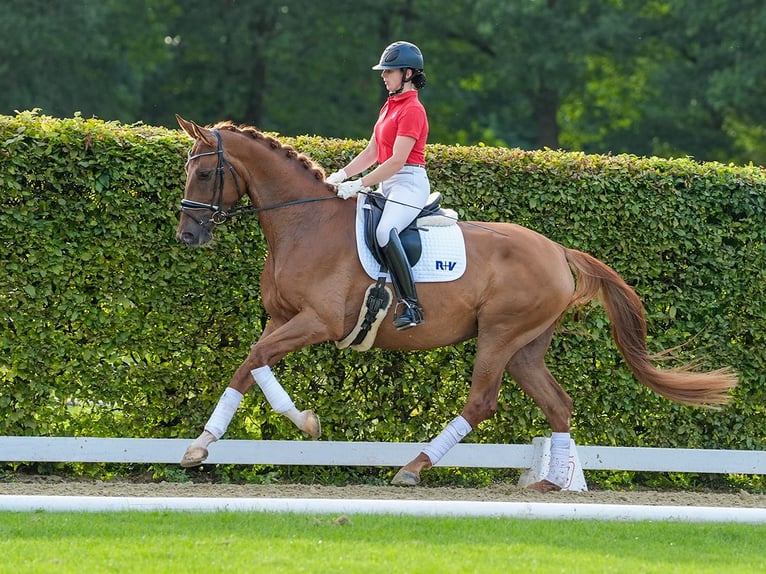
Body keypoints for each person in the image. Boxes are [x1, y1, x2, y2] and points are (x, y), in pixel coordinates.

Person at [328, 41, 430, 331]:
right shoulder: (390, 105)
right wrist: (341, 175)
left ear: (408, 73)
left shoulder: (413, 110)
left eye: (389, 71)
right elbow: (373, 152)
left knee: (386, 231)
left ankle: (411, 304)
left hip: (408, 184)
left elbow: (397, 161)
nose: (383, 76)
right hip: (388, 183)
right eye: (384, 72)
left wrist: (359, 183)